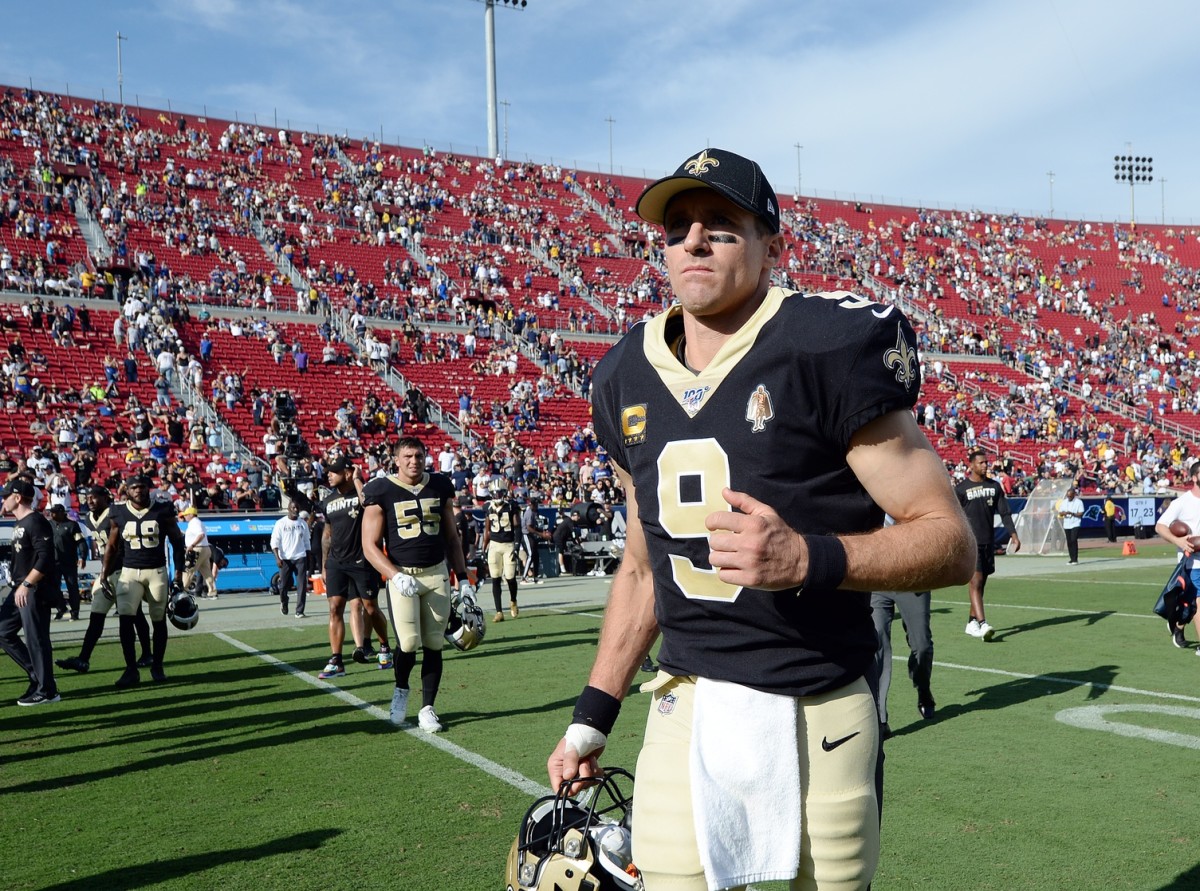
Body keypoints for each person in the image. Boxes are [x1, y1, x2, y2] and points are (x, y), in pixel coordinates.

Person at [545, 148, 974, 891]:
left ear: (774, 245)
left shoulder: (826, 345)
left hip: (821, 702)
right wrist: (592, 712)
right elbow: (644, 564)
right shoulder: (622, 376)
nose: (694, 240)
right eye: (677, 226)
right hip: (686, 697)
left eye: (721, 224)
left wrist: (810, 559)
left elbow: (951, 541)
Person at [362, 436, 472, 733]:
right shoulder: (380, 490)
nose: (414, 461)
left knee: (435, 642)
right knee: (408, 643)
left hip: (436, 573)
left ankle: (428, 708)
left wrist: (463, 578)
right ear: (396, 459)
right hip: (402, 574)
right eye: (408, 456)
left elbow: (451, 537)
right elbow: (369, 546)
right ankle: (400, 690)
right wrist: (394, 575)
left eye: (419, 455)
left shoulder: (439, 485)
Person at [56, 485, 154, 674]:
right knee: (96, 617)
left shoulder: (116, 513)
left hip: (124, 570)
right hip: (107, 573)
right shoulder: (88, 518)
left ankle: (147, 654)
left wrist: (106, 573)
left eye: (93, 497)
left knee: (135, 615)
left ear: (104, 497)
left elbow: (119, 547)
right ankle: (83, 659)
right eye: (87, 498)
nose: (89, 501)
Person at [102, 474, 187, 687]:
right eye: (133, 488)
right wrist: (103, 574)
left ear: (148, 488)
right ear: (127, 491)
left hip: (156, 571)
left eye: (141, 487)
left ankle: (157, 665)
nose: (137, 491)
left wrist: (178, 575)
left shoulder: (163, 509)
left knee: (158, 620)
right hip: (129, 572)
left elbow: (178, 543)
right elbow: (111, 546)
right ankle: (131, 669)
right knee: (125, 620)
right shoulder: (118, 512)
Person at [318, 455, 392, 679]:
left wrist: (359, 480)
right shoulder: (328, 500)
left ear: (348, 473)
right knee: (335, 608)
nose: (329, 475)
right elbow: (327, 535)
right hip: (336, 562)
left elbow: (367, 502)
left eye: (334, 471)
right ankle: (336, 660)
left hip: (362, 560)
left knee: (370, 607)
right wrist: (324, 565)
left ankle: (385, 648)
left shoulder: (363, 493)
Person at [0, 477, 62, 705]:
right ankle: (37, 676)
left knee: (36, 638)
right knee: (3, 631)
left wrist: (27, 584)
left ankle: (47, 690)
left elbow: (46, 558)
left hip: (33, 588)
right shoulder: (21, 523)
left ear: (17, 498)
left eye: (5, 496)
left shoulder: (35, 521)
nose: (3, 501)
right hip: (19, 587)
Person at [870, 521, 935, 737]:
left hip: (913, 579)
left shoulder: (914, 495)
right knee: (876, 643)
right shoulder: (868, 495)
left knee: (922, 645)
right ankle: (880, 719)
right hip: (877, 580)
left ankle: (923, 688)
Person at [955, 448, 1020, 641]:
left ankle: (971, 622)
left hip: (988, 541)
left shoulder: (995, 486)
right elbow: (955, 518)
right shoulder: (960, 489)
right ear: (971, 466)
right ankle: (983, 624)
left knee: (982, 583)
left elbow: (1005, 513)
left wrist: (1013, 535)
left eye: (986, 462)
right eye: (981, 463)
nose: (985, 465)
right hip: (970, 543)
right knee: (975, 582)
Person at [1155, 461, 1200, 651]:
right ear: (1195, 477)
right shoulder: (1182, 502)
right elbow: (1160, 526)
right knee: (1199, 601)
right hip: (1192, 563)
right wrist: (1179, 541)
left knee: (1191, 604)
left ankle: (1178, 625)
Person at [483, 478, 521, 621]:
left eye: (499, 493)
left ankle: (513, 601)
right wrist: (484, 547)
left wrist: (517, 546)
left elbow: (517, 527)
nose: (497, 496)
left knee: (510, 577)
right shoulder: (487, 507)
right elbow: (486, 530)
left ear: (504, 493)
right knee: (495, 578)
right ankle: (499, 611)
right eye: (494, 493)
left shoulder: (511, 506)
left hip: (508, 544)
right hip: (494, 545)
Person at [271, 500, 311, 617]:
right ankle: (284, 601)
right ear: (288, 509)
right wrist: (277, 558)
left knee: (302, 585)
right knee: (283, 586)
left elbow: (306, 542)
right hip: (285, 559)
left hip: (300, 557)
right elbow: (274, 542)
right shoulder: (281, 523)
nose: (295, 510)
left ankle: (299, 611)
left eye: (297, 508)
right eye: (293, 508)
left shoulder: (303, 523)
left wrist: (308, 557)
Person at [48, 502, 87, 621]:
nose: (51, 514)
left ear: (61, 513)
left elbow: (81, 542)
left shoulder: (72, 525)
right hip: (54, 562)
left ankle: (75, 612)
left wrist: (82, 557)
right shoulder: (49, 525)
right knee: (53, 587)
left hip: (69, 562)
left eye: (54, 512)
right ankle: (61, 608)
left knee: (72, 587)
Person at [180, 506, 217, 598]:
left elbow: (201, 535)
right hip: (205, 549)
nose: (184, 517)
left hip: (197, 549)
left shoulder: (194, 523)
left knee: (188, 570)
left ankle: (182, 590)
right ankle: (212, 591)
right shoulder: (198, 522)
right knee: (207, 572)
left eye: (186, 515)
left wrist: (192, 545)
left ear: (191, 514)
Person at [520, 495, 550, 584]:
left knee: (535, 556)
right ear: (532, 505)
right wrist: (541, 534)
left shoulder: (535, 512)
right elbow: (529, 528)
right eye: (536, 504)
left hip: (531, 536)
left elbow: (534, 526)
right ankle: (523, 578)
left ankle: (535, 577)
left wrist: (543, 532)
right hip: (526, 535)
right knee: (530, 555)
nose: (537, 506)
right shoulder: (529, 513)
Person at [1057, 486, 1085, 565]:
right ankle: (1071, 558)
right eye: (1067, 496)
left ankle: (1075, 559)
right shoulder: (1064, 502)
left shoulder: (1079, 502)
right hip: (1067, 523)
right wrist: (1065, 513)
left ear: (1074, 495)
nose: (1069, 497)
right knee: (1069, 541)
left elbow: (1081, 513)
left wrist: (1072, 514)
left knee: (1073, 539)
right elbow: (1060, 512)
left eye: (1070, 496)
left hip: (1075, 523)